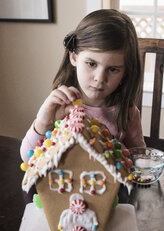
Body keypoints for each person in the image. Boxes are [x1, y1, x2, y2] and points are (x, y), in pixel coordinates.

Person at [20, 9, 145, 162]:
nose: (100, 78)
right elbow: (28, 158)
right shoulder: (60, 105)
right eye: (91, 64)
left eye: (113, 69)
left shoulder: (128, 113)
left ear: (125, 72)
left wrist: (123, 156)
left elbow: (140, 160)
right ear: (74, 57)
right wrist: (43, 122)